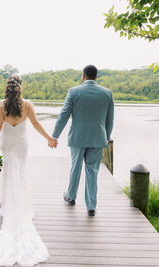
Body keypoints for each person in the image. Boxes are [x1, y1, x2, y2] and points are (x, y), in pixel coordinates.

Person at [0, 75, 55, 266]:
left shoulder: (2, 105)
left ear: (7, 88)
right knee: (20, 174)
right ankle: (15, 205)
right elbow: (35, 124)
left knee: (9, 174)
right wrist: (49, 138)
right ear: (21, 88)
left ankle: (8, 205)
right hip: (22, 144)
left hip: (8, 143)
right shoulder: (28, 104)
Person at [52, 65, 114, 216]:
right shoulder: (107, 93)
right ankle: (91, 206)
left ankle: (71, 197)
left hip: (78, 138)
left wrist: (54, 136)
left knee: (75, 168)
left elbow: (64, 115)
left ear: (83, 76)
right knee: (92, 171)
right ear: (96, 76)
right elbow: (110, 119)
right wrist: (105, 138)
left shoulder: (74, 91)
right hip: (97, 138)